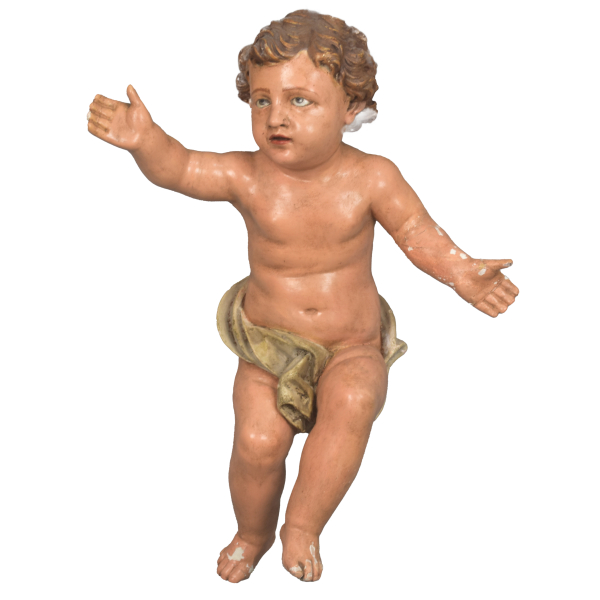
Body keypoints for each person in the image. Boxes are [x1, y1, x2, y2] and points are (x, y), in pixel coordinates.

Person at [87, 9, 519, 584]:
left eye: (299, 101)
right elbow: (184, 168)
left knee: (354, 401)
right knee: (256, 443)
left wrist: (462, 272)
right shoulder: (247, 175)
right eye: (261, 101)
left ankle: (303, 526)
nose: (276, 117)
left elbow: (417, 233)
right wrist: (147, 142)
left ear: (351, 107)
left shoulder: (374, 177)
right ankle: (252, 532)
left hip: (351, 343)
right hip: (268, 346)